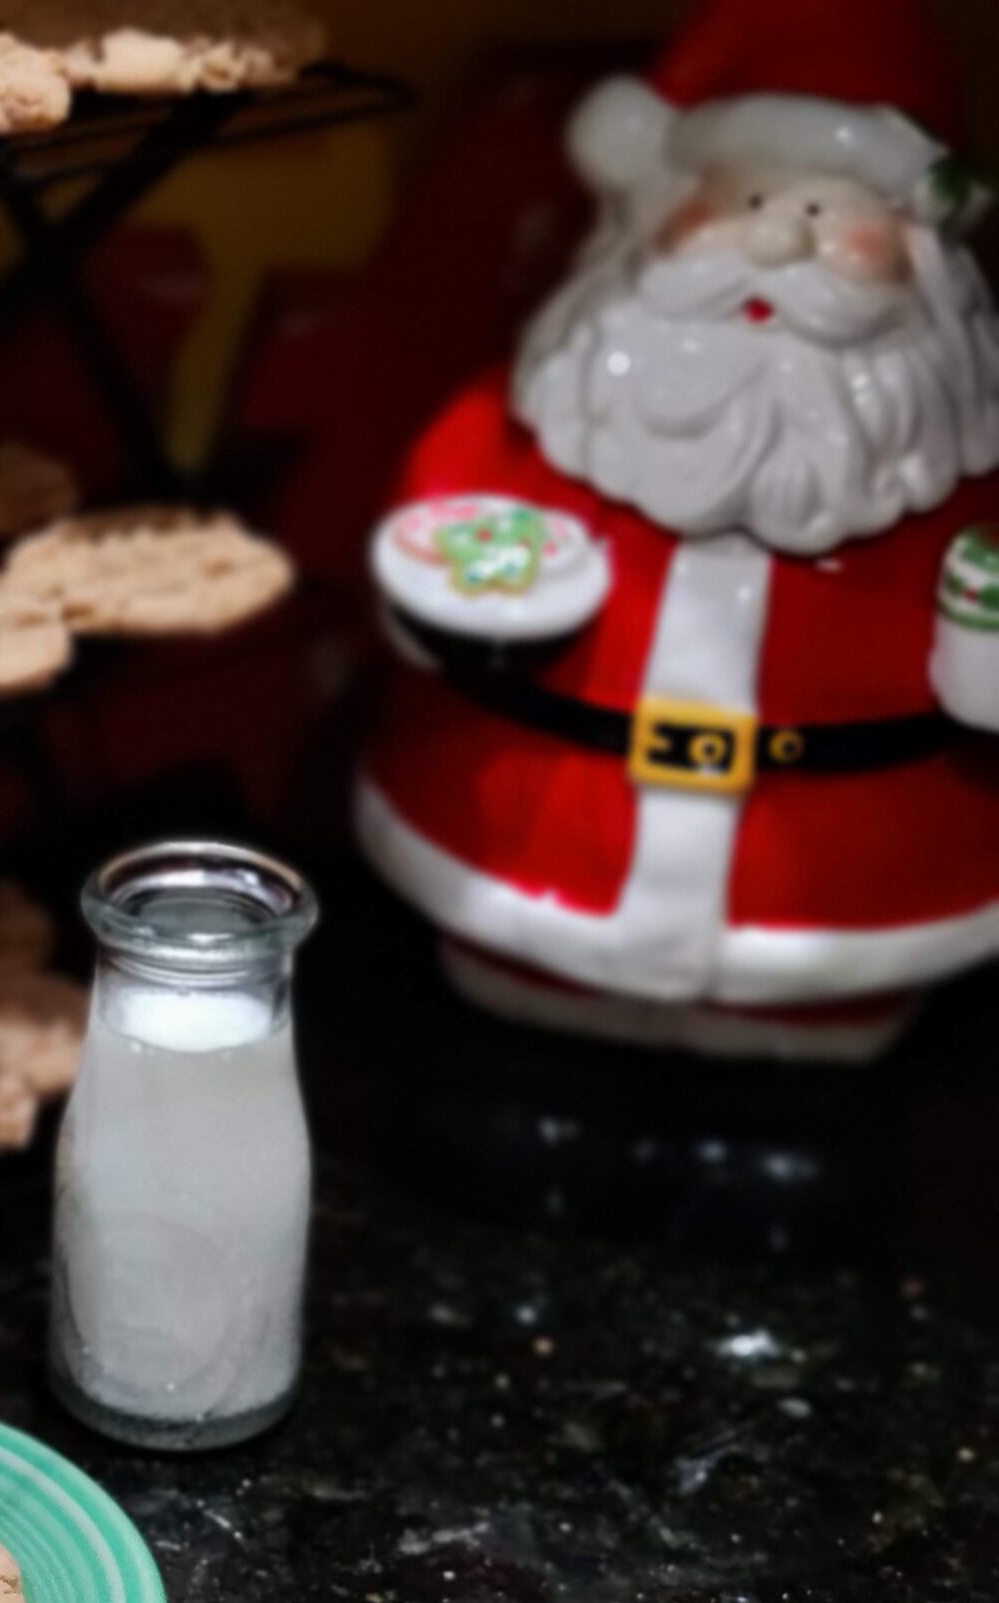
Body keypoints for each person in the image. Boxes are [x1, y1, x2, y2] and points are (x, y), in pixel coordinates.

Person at [355, 0, 999, 1062]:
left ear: (927, 258)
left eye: (827, 214)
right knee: (510, 1047)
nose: (777, 240)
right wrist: (439, 608)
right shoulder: (539, 414)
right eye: (744, 202)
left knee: (813, 1065)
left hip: (840, 898)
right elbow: (440, 519)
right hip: (529, 855)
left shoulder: (953, 466)